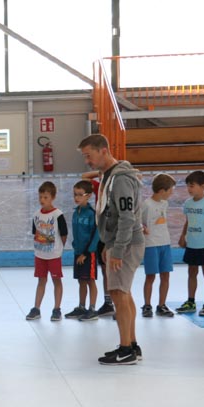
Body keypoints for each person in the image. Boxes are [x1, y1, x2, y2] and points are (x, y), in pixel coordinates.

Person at [78, 134, 145, 365]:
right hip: (116, 242)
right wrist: (108, 244)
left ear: (103, 151)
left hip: (125, 243)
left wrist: (117, 250)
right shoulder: (109, 176)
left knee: (118, 293)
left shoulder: (120, 179)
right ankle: (131, 345)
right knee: (123, 292)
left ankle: (126, 349)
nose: (87, 161)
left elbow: (127, 217)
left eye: (89, 155)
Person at [176, 170, 204, 317]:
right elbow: (188, 221)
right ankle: (191, 301)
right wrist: (183, 236)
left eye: (192, 185)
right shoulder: (188, 203)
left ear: (203, 186)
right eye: (188, 186)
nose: (189, 189)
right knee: (192, 272)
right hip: (192, 245)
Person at [26, 181, 68, 322]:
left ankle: (57, 309)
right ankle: (36, 308)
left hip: (54, 255)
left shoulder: (58, 215)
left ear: (53, 197)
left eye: (46, 197)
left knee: (56, 280)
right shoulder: (36, 215)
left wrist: (58, 248)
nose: (42, 200)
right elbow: (35, 233)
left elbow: (64, 234)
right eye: (40, 197)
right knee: (41, 281)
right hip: (40, 255)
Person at [141, 174, 176, 318]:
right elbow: (137, 220)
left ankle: (161, 305)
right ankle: (147, 305)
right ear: (162, 190)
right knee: (150, 276)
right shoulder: (146, 204)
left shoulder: (164, 204)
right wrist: (142, 227)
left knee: (165, 275)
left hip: (165, 243)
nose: (171, 193)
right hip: (151, 244)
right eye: (170, 190)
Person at [81, 169, 114, 318]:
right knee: (104, 268)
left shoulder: (115, 188)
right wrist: (100, 172)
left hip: (111, 230)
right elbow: (84, 177)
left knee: (114, 269)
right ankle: (108, 302)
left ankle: (117, 303)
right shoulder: (98, 186)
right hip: (101, 230)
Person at [64, 180, 99, 321]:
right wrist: (76, 247)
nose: (76, 197)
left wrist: (86, 253)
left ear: (88, 196)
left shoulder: (91, 214)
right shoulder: (76, 213)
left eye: (80, 194)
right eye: (75, 194)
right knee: (81, 280)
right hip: (78, 252)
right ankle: (81, 307)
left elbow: (96, 235)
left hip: (88, 253)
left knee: (90, 280)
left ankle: (92, 309)